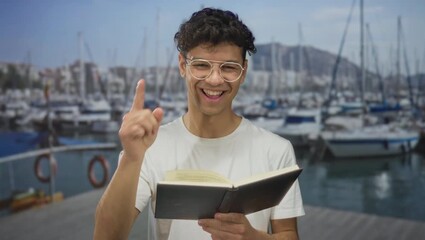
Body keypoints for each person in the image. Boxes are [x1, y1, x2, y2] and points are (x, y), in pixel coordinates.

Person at [94, 7, 304, 240]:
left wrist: (253, 237)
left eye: (229, 67)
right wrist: (132, 158)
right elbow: (106, 236)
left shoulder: (276, 150)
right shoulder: (149, 148)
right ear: (183, 65)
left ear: (243, 72)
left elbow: (288, 234)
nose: (215, 79)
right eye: (202, 65)